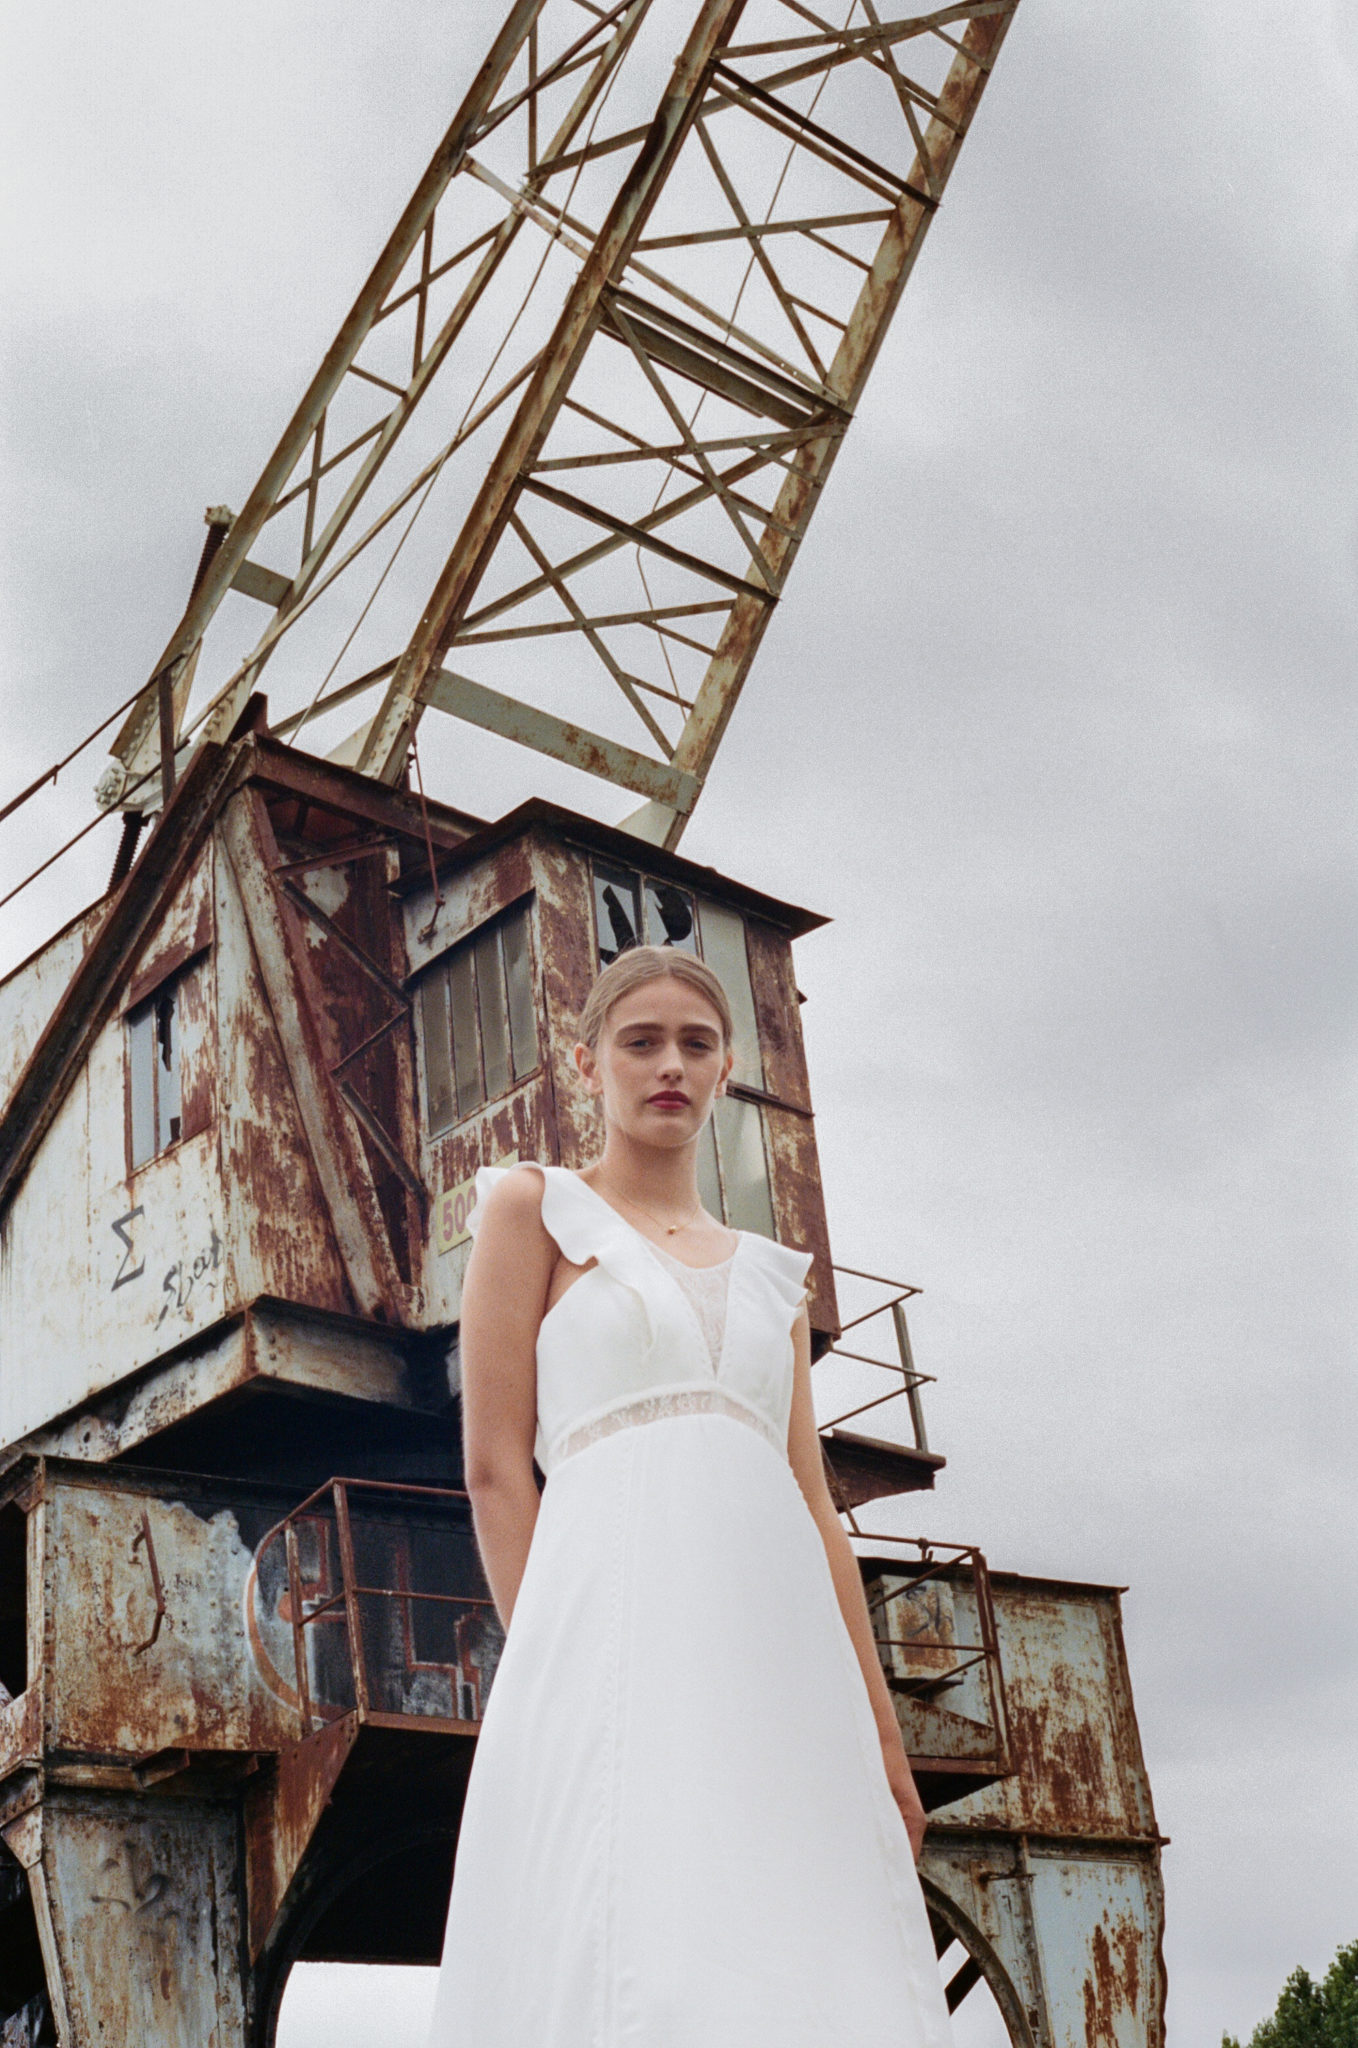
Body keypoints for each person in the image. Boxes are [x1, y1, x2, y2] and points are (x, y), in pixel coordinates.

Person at [427, 945, 953, 2047]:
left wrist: (884, 1742)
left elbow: (816, 1513)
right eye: (641, 1040)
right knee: (633, 1936)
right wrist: (549, 1675)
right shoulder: (532, 1210)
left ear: (724, 1072)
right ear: (587, 1063)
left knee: (797, 1929)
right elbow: (491, 1463)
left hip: (773, 1654)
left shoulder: (770, 1275)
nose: (669, 1063)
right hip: (605, 1637)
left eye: (695, 1043)